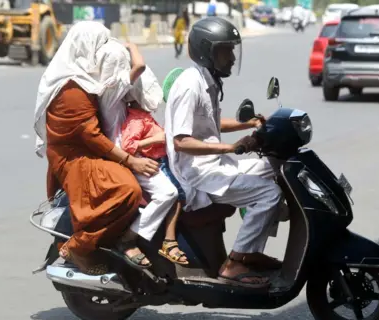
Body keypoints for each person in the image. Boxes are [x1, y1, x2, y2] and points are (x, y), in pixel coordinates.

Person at [164, 17, 283, 288]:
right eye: (224, 50)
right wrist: (231, 147)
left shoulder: (209, 81)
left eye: (231, 50)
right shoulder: (189, 86)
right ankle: (234, 263)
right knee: (269, 193)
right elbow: (181, 141)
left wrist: (249, 123)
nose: (231, 57)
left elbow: (209, 125)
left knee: (274, 167)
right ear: (207, 51)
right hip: (197, 174)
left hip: (214, 164)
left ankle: (251, 252)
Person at [33, 21, 159, 275]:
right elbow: (91, 135)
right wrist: (129, 161)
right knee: (127, 190)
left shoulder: (86, 79)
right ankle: (80, 246)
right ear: (86, 47)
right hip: (76, 157)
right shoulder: (71, 89)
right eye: (100, 44)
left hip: (91, 150)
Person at [119, 66, 188, 266]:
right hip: (151, 165)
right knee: (172, 194)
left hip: (163, 162)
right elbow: (127, 146)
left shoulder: (145, 117)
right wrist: (152, 141)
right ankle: (133, 236)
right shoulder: (136, 120)